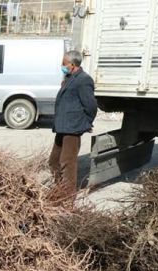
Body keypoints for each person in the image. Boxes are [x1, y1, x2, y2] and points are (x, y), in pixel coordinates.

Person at [49, 49, 97, 204]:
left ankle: (68, 198)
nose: (62, 66)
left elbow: (90, 105)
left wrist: (86, 123)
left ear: (72, 64)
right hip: (62, 127)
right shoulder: (69, 78)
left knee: (67, 163)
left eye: (64, 64)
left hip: (72, 127)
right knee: (53, 161)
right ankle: (59, 190)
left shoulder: (84, 80)